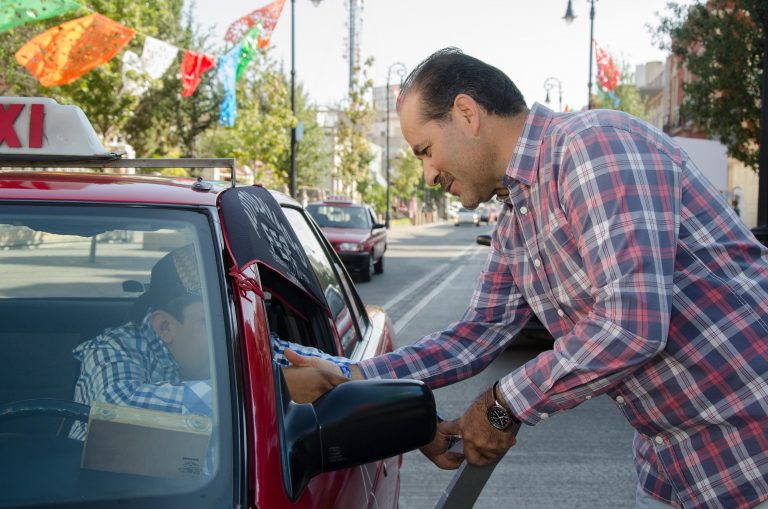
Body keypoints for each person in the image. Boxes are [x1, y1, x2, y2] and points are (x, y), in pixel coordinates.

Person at [291, 48, 768, 509]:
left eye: (425, 150)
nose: (428, 174)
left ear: (466, 113)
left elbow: (631, 325)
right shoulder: (516, 218)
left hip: (751, 446)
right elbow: (474, 336)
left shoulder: (591, 145)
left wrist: (504, 404)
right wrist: (353, 377)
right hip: (673, 465)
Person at [70, 244, 349, 440]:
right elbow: (114, 410)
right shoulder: (112, 349)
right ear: (165, 326)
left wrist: (344, 376)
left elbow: (352, 372)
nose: (234, 333)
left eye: (237, 316)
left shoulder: (245, 336)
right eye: (214, 320)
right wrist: (270, 391)